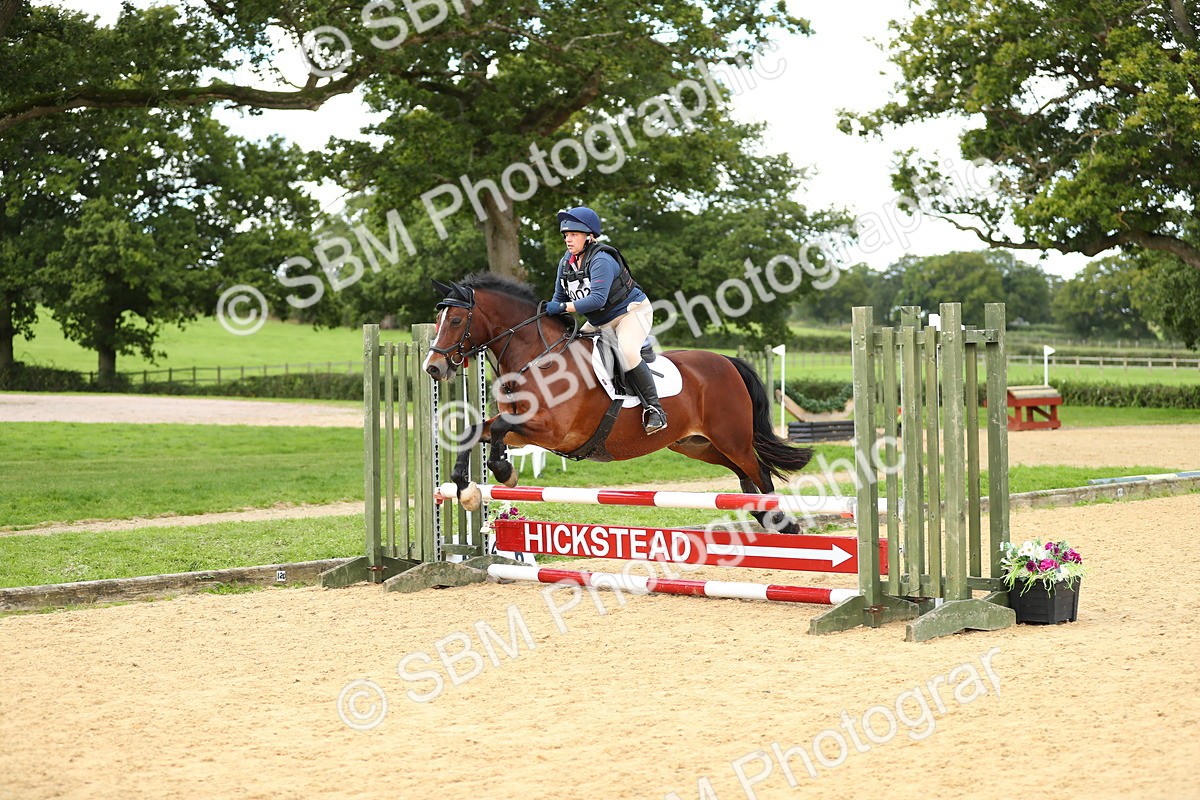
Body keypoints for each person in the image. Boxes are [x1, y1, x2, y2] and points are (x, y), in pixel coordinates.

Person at [544, 206, 667, 435]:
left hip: (631, 313)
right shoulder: (566, 263)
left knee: (628, 351)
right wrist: (546, 313)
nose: (568, 240)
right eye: (566, 235)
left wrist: (561, 307)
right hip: (600, 321)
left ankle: (655, 409)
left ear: (589, 236)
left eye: (574, 235)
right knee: (572, 351)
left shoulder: (601, 260)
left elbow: (596, 300)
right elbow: (559, 298)